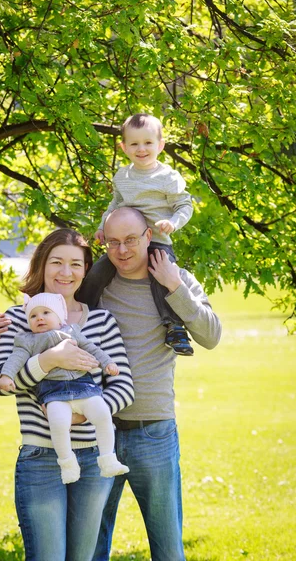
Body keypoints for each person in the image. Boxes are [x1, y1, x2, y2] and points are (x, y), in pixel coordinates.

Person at [81, 207, 221, 561]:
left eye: (130, 240)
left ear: (148, 237)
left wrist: (174, 286)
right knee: (88, 548)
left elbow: (211, 335)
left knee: (168, 549)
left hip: (154, 433)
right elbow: (46, 313)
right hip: (96, 433)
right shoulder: (94, 285)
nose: (122, 250)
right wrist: (4, 326)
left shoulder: (176, 279)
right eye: (113, 242)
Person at [0, 228, 134, 561]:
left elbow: (124, 387)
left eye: (75, 264)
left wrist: (82, 414)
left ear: (86, 270)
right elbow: (1, 380)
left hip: (95, 461)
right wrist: (48, 361)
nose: (65, 273)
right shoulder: (16, 318)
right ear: (42, 264)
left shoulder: (101, 321)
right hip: (40, 458)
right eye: (56, 262)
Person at [87, 113, 195, 356]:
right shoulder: (123, 176)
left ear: (161, 145)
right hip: (125, 243)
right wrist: (104, 226)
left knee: (161, 279)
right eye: (134, 143)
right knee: (97, 273)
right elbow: (114, 204)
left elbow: (185, 205)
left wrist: (173, 222)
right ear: (124, 147)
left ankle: (175, 327)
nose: (142, 149)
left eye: (148, 142)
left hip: (157, 241)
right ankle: (83, 313)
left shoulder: (168, 177)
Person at [0, 291, 129, 484]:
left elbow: (92, 348)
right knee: (58, 423)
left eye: (46, 313)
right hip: (54, 394)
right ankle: (67, 464)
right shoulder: (26, 341)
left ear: (60, 318)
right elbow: (15, 359)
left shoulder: (72, 332)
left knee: (102, 414)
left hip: (83, 387)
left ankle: (108, 459)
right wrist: (6, 375)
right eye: (33, 315)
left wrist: (107, 363)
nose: (39, 318)